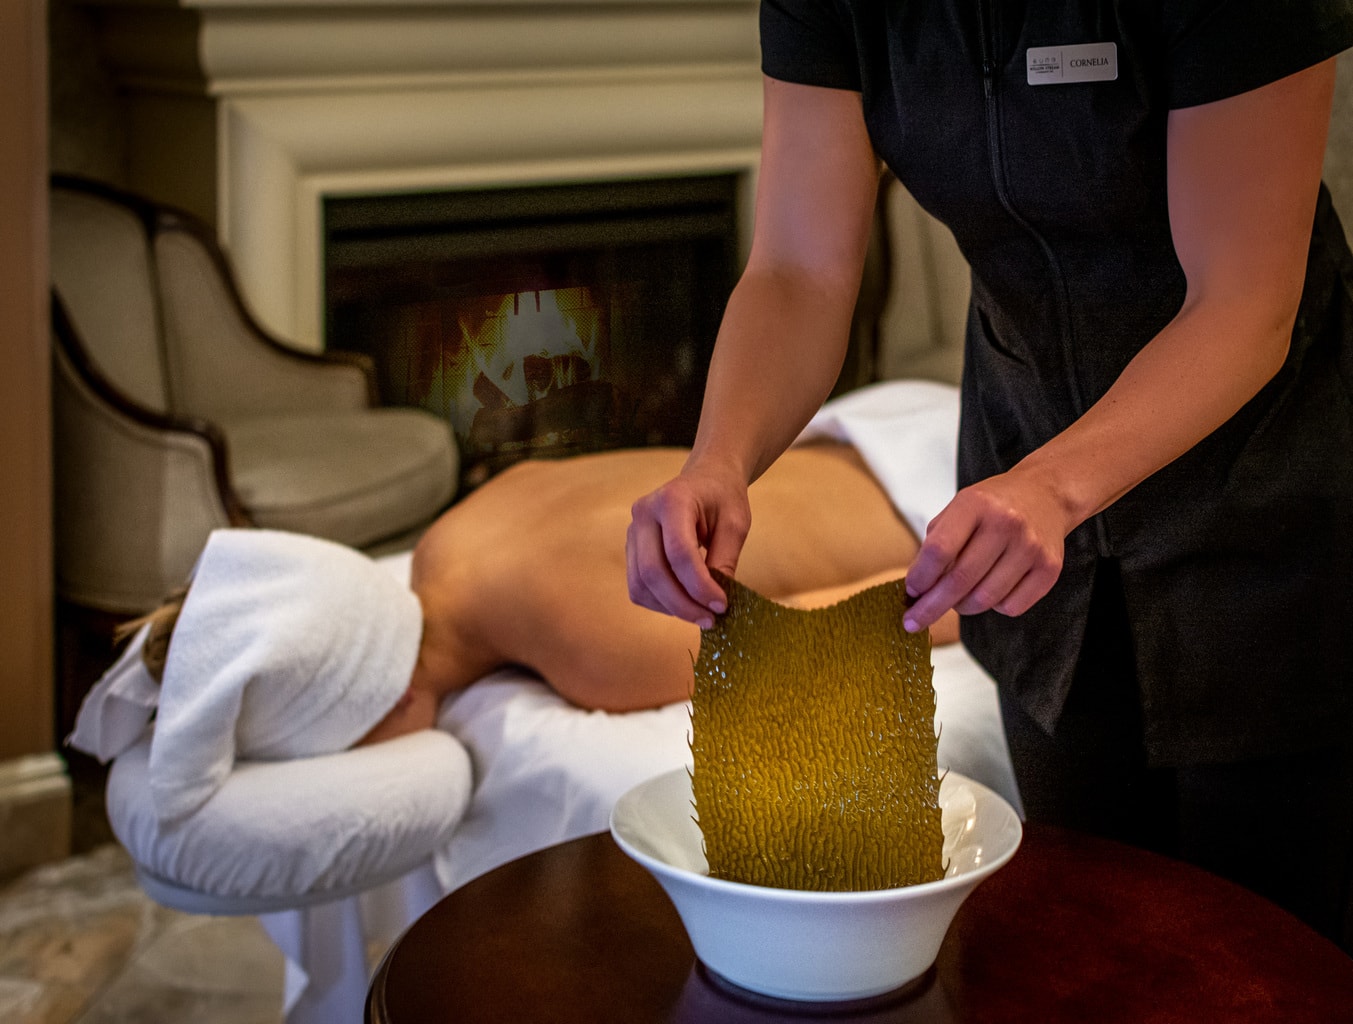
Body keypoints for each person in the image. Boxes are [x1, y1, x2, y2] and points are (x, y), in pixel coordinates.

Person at [626, 4, 1353, 948]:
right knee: (1080, 947)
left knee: (1263, 960)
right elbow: (800, 268)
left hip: (1269, 502)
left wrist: (1054, 486)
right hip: (1033, 515)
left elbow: (1243, 301)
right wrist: (718, 459)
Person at [82, 438, 959, 812]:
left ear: (394, 720)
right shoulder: (450, 536)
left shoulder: (598, 646)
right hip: (868, 440)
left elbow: (892, 614)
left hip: (946, 481)